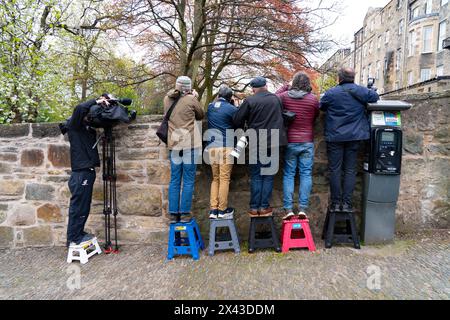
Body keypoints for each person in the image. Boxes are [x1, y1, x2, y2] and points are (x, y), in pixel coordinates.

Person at [320, 67, 379, 212]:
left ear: (339, 78)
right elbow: (375, 97)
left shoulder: (331, 93)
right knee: (350, 170)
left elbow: (321, 106)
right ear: (353, 77)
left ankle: (335, 202)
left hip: (335, 136)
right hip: (354, 136)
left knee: (335, 170)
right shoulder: (361, 91)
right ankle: (346, 203)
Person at [233, 76, 287, 218]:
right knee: (268, 176)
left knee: (256, 176)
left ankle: (254, 207)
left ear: (253, 88)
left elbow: (237, 120)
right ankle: (264, 207)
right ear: (266, 85)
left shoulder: (250, 100)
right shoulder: (276, 99)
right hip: (274, 141)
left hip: (256, 141)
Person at [276, 72, 319, 220]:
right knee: (306, 174)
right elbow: (315, 117)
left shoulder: (284, 97)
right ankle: (302, 208)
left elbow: (273, 98)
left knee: (289, 174)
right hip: (307, 141)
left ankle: (288, 209)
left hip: (290, 141)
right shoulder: (313, 100)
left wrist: (285, 86)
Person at [66, 96, 107, 247]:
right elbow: (79, 108)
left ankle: (79, 232)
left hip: (87, 171)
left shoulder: (85, 129)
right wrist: (96, 101)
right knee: (78, 207)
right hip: (80, 173)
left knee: (84, 206)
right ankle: (73, 238)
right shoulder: (74, 125)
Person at [164, 76, 204, 222]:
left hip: (174, 144)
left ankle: (173, 214)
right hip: (189, 144)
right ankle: (185, 213)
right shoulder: (191, 99)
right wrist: (195, 97)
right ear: (188, 87)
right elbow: (200, 115)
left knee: (175, 179)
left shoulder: (167, 99)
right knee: (188, 180)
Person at [205, 85, 238, 220]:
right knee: (224, 178)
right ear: (230, 98)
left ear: (218, 95)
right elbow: (237, 123)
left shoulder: (210, 107)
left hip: (212, 147)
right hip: (226, 146)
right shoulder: (232, 109)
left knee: (215, 179)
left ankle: (213, 209)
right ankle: (222, 210)